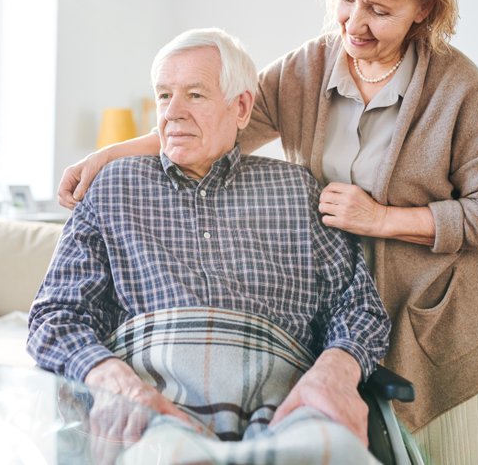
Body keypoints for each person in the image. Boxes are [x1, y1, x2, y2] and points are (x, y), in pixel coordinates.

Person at [55, 0, 478, 462]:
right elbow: (217, 121)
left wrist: (383, 219)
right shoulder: (309, 67)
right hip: (353, 307)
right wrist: (108, 156)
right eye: (348, 0)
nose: (355, 24)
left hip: (439, 311)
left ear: (423, 8)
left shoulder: (455, 83)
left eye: (380, 10)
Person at [28, 28, 390, 462]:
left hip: (287, 407)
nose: (173, 113)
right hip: (153, 404)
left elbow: (360, 307)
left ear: (241, 107)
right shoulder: (113, 188)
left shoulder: (298, 190)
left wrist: (335, 373)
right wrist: (114, 383)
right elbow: (56, 315)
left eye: (195, 95)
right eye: (164, 96)